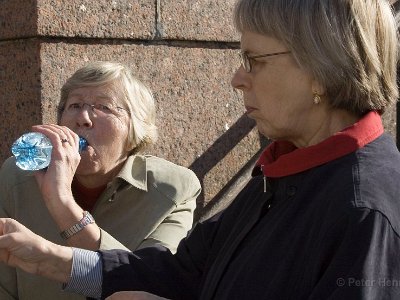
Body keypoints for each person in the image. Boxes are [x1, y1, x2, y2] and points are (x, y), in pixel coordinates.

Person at [1, 0, 400, 299]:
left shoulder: (364, 210)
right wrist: (50, 259)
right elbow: (178, 273)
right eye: (73, 104)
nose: (237, 78)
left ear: (320, 68)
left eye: (253, 59)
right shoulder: (284, 171)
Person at [0, 62, 201, 300]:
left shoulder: (173, 189)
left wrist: (62, 202)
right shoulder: (19, 174)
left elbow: (150, 287)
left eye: (104, 107)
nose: (83, 118)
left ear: (135, 129)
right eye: (74, 105)